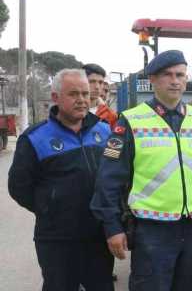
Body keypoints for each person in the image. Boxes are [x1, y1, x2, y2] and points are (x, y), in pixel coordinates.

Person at [91, 50, 192, 291]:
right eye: (167, 75)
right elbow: (108, 180)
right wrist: (112, 227)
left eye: (180, 74)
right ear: (152, 80)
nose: (175, 80)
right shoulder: (131, 121)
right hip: (152, 229)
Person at [8, 69, 114, 291]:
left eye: (85, 94)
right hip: (57, 238)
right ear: (55, 97)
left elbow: (114, 174)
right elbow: (19, 187)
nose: (82, 100)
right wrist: (49, 206)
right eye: (73, 94)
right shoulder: (35, 138)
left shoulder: (104, 131)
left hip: (98, 235)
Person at [83, 63, 118, 129]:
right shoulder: (68, 112)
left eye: (100, 82)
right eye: (91, 81)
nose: (97, 87)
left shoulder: (110, 115)